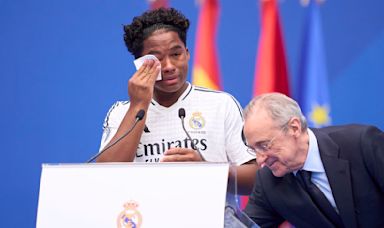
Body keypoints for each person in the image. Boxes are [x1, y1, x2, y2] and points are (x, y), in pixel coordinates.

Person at [96, 7, 258, 195]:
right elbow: (103, 178)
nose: (169, 66)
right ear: (140, 65)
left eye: (176, 54)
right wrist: (139, 105)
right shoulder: (121, 112)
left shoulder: (222, 105)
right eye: (157, 59)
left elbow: (256, 180)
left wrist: (207, 170)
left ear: (187, 54)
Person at [241, 92, 384, 227]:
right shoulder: (268, 182)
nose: (260, 160)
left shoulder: (361, 144)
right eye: (254, 149)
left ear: (294, 128)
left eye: (265, 145)